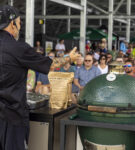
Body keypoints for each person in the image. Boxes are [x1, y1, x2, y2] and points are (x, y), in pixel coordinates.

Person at [0, 5, 79, 150]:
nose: (20, 26)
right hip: (12, 117)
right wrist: (69, 58)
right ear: (13, 23)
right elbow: (50, 65)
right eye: (20, 23)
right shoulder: (18, 48)